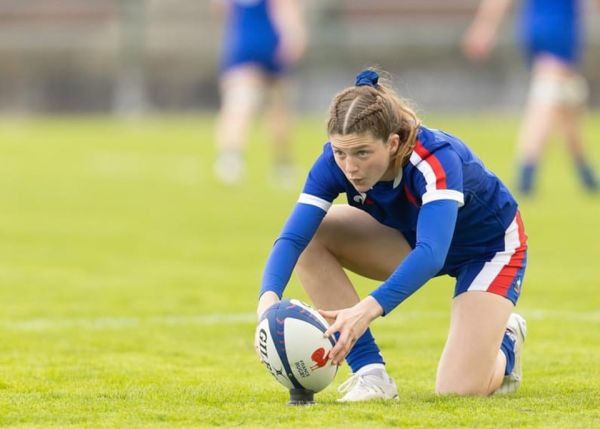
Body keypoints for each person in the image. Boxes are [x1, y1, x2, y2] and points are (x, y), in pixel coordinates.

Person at [256, 69, 529, 401]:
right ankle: (371, 375)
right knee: (316, 235)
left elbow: (432, 254)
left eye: (362, 153)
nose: (349, 166)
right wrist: (267, 300)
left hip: (488, 249)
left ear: (393, 142)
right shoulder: (334, 162)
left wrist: (367, 308)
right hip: (412, 238)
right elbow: (293, 238)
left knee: (458, 391)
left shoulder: (435, 158)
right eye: (340, 152)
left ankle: (506, 341)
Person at [462, 0, 598, 195]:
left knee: (567, 99)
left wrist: (484, 26)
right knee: (547, 97)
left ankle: (586, 172)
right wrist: (484, 28)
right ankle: (527, 170)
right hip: (558, 28)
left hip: (539, 26)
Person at [213, 0, 307, 186]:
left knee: (237, 105)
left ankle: (230, 160)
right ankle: (283, 165)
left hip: (242, 44)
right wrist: (296, 37)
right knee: (278, 108)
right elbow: (286, 12)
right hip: (271, 43)